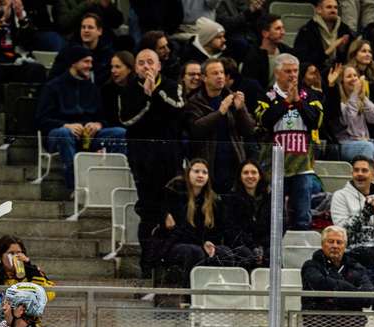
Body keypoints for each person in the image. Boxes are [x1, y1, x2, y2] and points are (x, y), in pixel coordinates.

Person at [118, 48, 184, 276]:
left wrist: (155, 93)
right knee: (150, 212)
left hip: (169, 157)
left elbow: (177, 110)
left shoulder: (171, 86)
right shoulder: (128, 90)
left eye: (150, 62)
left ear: (159, 66)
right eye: (141, 63)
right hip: (142, 160)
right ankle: (148, 266)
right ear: (135, 67)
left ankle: (168, 265)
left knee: (173, 212)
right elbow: (127, 120)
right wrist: (146, 97)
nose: (146, 67)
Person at [35, 47, 121, 191]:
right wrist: (66, 125)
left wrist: (98, 124)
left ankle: (113, 183)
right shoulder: (52, 87)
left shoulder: (93, 88)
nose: (90, 66)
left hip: (89, 136)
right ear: (73, 63)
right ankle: (76, 187)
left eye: (91, 62)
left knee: (119, 133)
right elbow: (41, 120)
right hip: (60, 134)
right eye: (86, 62)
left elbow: (103, 118)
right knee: (64, 134)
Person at [255, 53, 323, 231]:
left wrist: (298, 102)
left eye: (295, 71)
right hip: (274, 166)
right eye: (288, 71)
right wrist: (286, 102)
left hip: (302, 166)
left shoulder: (310, 95)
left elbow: (315, 121)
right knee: (273, 216)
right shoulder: (266, 95)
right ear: (277, 73)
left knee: (302, 216)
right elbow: (265, 121)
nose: (293, 75)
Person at [330, 155, 374, 309]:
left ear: (373, 174)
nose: (359, 174)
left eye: (364, 170)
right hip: (352, 259)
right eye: (356, 170)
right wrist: (364, 215)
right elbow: (341, 234)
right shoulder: (340, 196)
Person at [152, 158, 236, 287]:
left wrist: (210, 242)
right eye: (196, 171)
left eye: (204, 172)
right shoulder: (175, 193)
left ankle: (217, 293)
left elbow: (216, 230)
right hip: (173, 244)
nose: (200, 175)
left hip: (199, 244)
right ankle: (191, 294)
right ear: (188, 173)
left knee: (225, 252)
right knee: (195, 252)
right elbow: (180, 231)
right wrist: (165, 215)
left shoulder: (213, 201)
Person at [184, 58, 255, 194]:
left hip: (233, 162)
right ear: (204, 78)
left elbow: (249, 130)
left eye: (222, 72)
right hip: (208, 165)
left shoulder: (233, 98)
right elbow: (196, 129)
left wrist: (241, 110)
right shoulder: (194, 102)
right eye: (215, 73)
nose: (220, 76)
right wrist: (220, 112)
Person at [0, 0, 47, 131]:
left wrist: (22, 19)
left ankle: (31, 115)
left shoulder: (19, 13)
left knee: (37, 69)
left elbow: (32, 42)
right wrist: (0, 23)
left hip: (18, 62)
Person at [326, 63, 374, 168]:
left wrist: (363, 97)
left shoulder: (359, 99)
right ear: (342, 82)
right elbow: (347, 120)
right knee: (366, 146)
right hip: (346, 143)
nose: (353, 79)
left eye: (355, 75)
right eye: (349, 76)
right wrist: (355, 94)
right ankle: (367, 175)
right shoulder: (338, 103)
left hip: (365, 141)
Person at [0, 234, 55, 304]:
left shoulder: (33, 272)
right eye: (11, 253)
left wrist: (31, 269)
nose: (16, 257)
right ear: (1, 256)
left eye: (19, 253)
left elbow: (49, 294)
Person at [223, 159, 272, 268]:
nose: (250, 176)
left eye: (254, 172)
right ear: (240, 176)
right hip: (240, 245)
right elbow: (231, 229)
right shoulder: (232, 199)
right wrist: (253, 247)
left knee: (271, 254)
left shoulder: (271, 198)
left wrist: (262, 246)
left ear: (260, 176)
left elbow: (279, 226)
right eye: (245, 173)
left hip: (265, 245)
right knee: (245, 255)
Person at [50, 12, 113, 83]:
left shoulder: (107, 55)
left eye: (90, 27)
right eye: (83, 27)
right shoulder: (68, 51)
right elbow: (53, 78)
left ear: (99, 31)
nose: (86, 30)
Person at [293, 0, 353, 71]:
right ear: (318, 10)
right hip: (316, 72)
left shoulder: (345, 30)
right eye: (329, 7)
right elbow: (303, 60)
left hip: (340, 71)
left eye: (335, 7)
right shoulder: (306, 31)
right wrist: (328, 50)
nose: (333, 10)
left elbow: (351, 56)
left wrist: (342, 50)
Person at [242, 13, 292, 90]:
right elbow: (251, 88)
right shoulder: (253, 57)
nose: (283, 32)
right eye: (278, 29)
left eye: (283, 28)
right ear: (265, 33)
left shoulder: (286, 52)